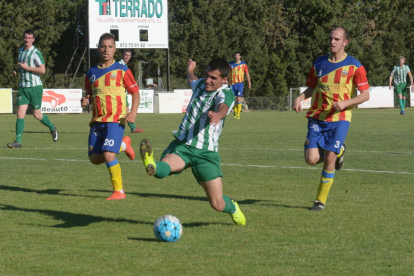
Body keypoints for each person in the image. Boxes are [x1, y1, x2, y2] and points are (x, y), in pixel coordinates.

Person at [139, 58, 246, 225]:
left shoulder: (225, 93)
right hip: (184, 145)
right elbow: (191, 78)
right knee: (164, 168)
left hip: (206, 152)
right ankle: (151, 163)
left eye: (213, 78)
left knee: (217, 204)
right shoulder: (201, 84)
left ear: (224, 79)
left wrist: (218, 115)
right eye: (207, 75)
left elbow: (223, 107)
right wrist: (190, 68)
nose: (208, 80)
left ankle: (233, 208)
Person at [292, 26, 370, 211]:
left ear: (345, 42)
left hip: (340, 117)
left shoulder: (355, 66)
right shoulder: (319, 63)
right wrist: (300, 98)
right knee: (311, 159)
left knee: (329, 156)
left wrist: (345, 103)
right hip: (318, 116)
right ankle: (340, 151)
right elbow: (311, 88)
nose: (332, 42)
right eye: (330, 39)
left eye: (336, 39)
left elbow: (365, 95)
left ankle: (320, 201)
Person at [81, 33, 140, 200]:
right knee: (94, 159)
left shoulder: (122, 70)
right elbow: (89, 95)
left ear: (115, 50)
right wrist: (85, 101)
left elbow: (135, 93)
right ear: (98, 49)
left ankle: (119, 191)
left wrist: (133, 112)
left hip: (116, 119)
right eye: (103, 46)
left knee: (108, 154)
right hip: (97, 121)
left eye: (110, 46)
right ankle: (123, 145)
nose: (106, 49)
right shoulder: (91, 73)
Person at [7, 29, 58, 148]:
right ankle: (18, 142)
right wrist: (17, 69)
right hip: (23, 87)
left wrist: (27, 68)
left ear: (33, 39)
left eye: (29, 38)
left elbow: (42, 70)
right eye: (25, 37)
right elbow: (22, 66)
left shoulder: (36, 52)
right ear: (23, 38)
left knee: (37, 114)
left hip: (35, 87)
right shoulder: (20, 51)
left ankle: (52, 127)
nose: (27, 40)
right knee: (20, 113)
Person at [118, 49, 144, 133]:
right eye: (126, 55)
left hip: (123, 91)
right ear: (122, 55)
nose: (127, 57)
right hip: (119, 92)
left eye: (129, 56)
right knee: (125, 110)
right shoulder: (119, 64)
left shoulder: (124, 65)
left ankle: (132, 128)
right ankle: (133, 128)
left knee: (125, 110)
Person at [229, 52, 251, 120]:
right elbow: (227, 73)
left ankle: (238, 114)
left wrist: (249, 82)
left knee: (239, 99)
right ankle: (235, 110)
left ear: (240, 57)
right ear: (234, 56)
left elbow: (247, 74)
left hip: (239, 83)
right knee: (231, 99)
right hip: (232, 84)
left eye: (238, 55)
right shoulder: (230, 64)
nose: (236, 57)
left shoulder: (243, 64)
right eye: (235, 55)